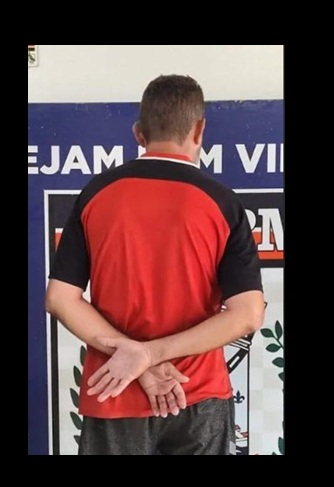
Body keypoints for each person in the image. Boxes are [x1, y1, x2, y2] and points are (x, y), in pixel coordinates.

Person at [45, 74, 265, 455]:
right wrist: (148, 358)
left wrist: (140, 361)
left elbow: (60, 299)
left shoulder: (96, 195)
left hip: (115, 389)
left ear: (138, 134)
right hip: (197, 392)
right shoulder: (223, 203)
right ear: (199, 130)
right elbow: (248, 315)